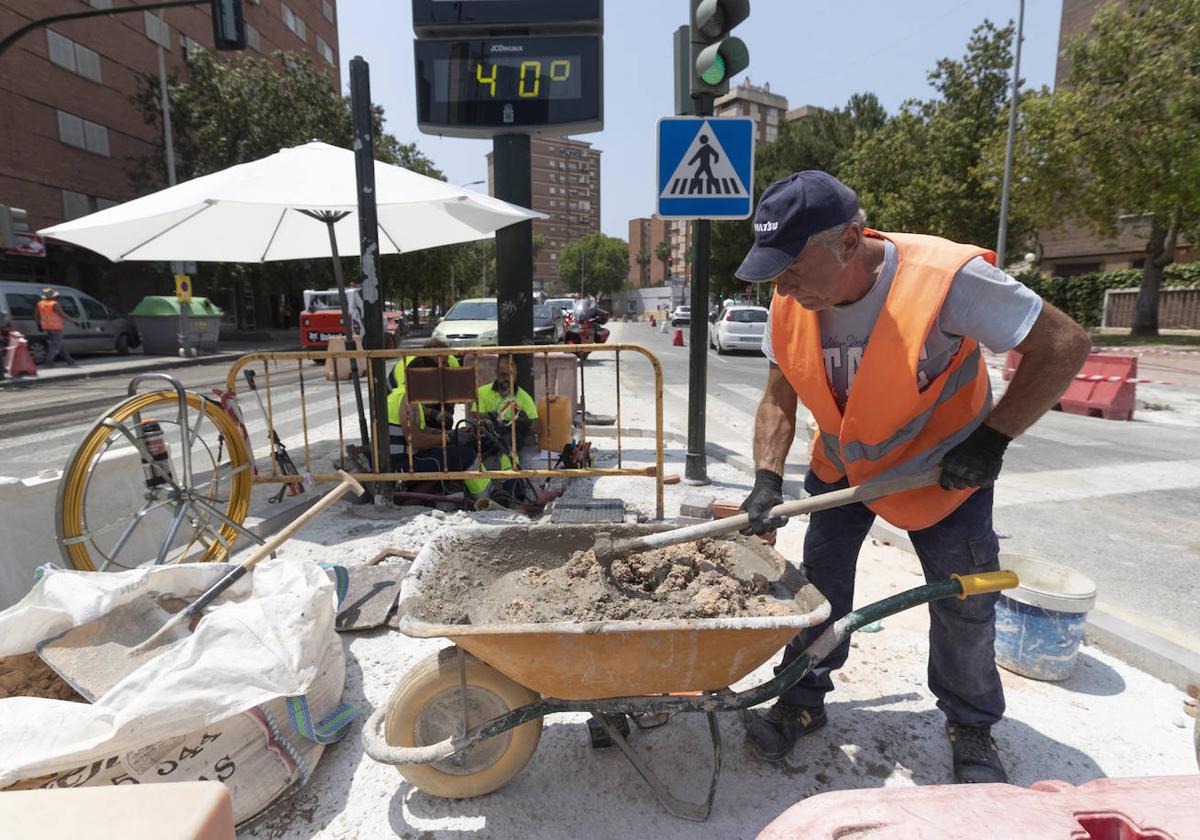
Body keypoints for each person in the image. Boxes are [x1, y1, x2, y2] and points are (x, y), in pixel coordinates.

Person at [735, 171, 1090, 783]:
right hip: (843, 468)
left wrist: (992, 440)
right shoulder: (791, 299)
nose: (781, 283)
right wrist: (767, 478)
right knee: (818, 591)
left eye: (791, 264)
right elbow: (778, 398)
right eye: (773, 269)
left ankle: (970, 725)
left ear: (849, 241)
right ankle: (800, 698)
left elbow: (1064, 344)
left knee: (964, 603)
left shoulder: (947, 282)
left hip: (943, 476)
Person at [470, 353, 540, 450]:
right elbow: (475, 416)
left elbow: (536, 427)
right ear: (496, 372)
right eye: (503, 375)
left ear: (516, 373)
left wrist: (524, 423)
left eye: (511, 374)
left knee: (510, 439)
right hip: (487, 441)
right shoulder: (482, 392)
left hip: (512, 443)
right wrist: (490, 419)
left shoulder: (524, 397)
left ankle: (508, 464)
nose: (507, 378)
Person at [35, 288, 78, 367]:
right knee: (55, 345)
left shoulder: (40, 303)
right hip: (56, 327)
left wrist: (38, 325)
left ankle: (70, 360)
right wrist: (73, 321)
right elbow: (62, 314)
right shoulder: (54, 303)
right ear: (53, 296)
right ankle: (48, 363)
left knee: (58, 344)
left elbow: (36, 315)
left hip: (47, 327)